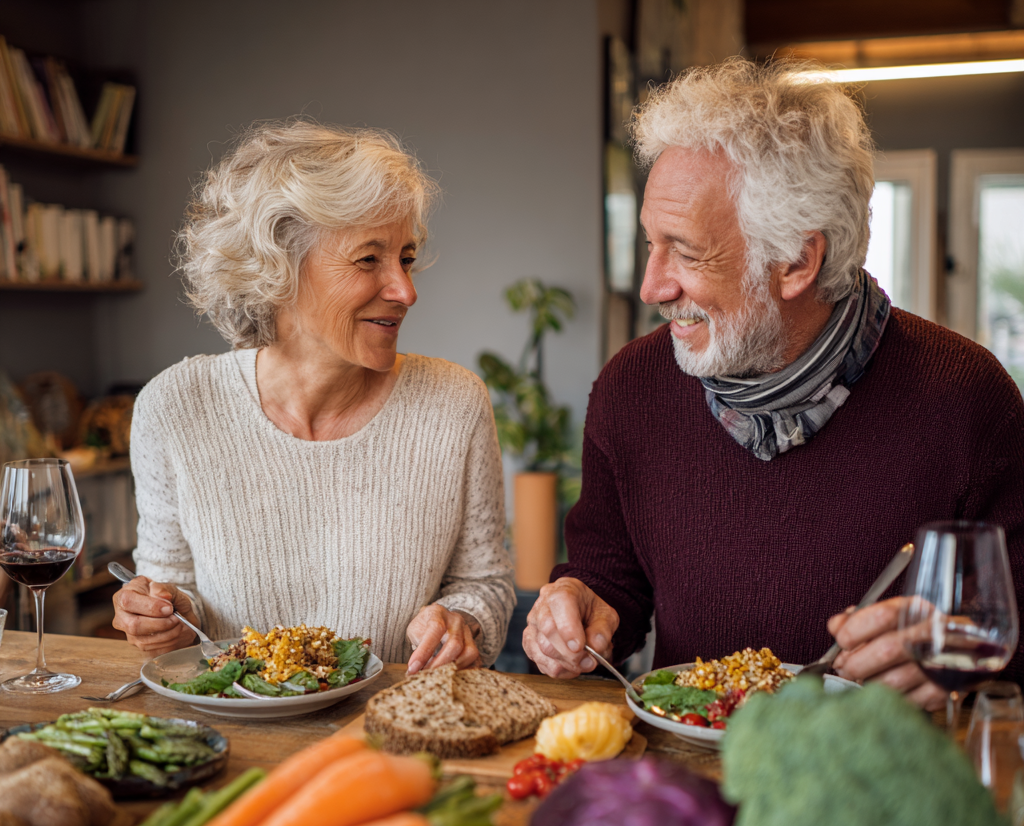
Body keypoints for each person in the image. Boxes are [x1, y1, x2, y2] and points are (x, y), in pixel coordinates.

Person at [522, 59, 1024, 709]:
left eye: (687, 251)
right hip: (688, 777)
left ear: (797, 262)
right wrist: (577, 610)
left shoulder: (967, 398)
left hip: (891, 779)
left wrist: (961, 653)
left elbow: (1008, 629)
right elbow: (609, 585)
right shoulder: (631, 389)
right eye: (652, 244)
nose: (653, 287)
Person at [113, 121, 514, 672]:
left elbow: (484, 584)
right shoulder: (175, 407)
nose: (405, 290)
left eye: (406, 258)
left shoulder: (454, 403)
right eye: (369, 259)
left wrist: (460, 619)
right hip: (240, 726)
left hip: (397, 729)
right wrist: (164, 614)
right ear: (277, 268)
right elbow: (173, 592)